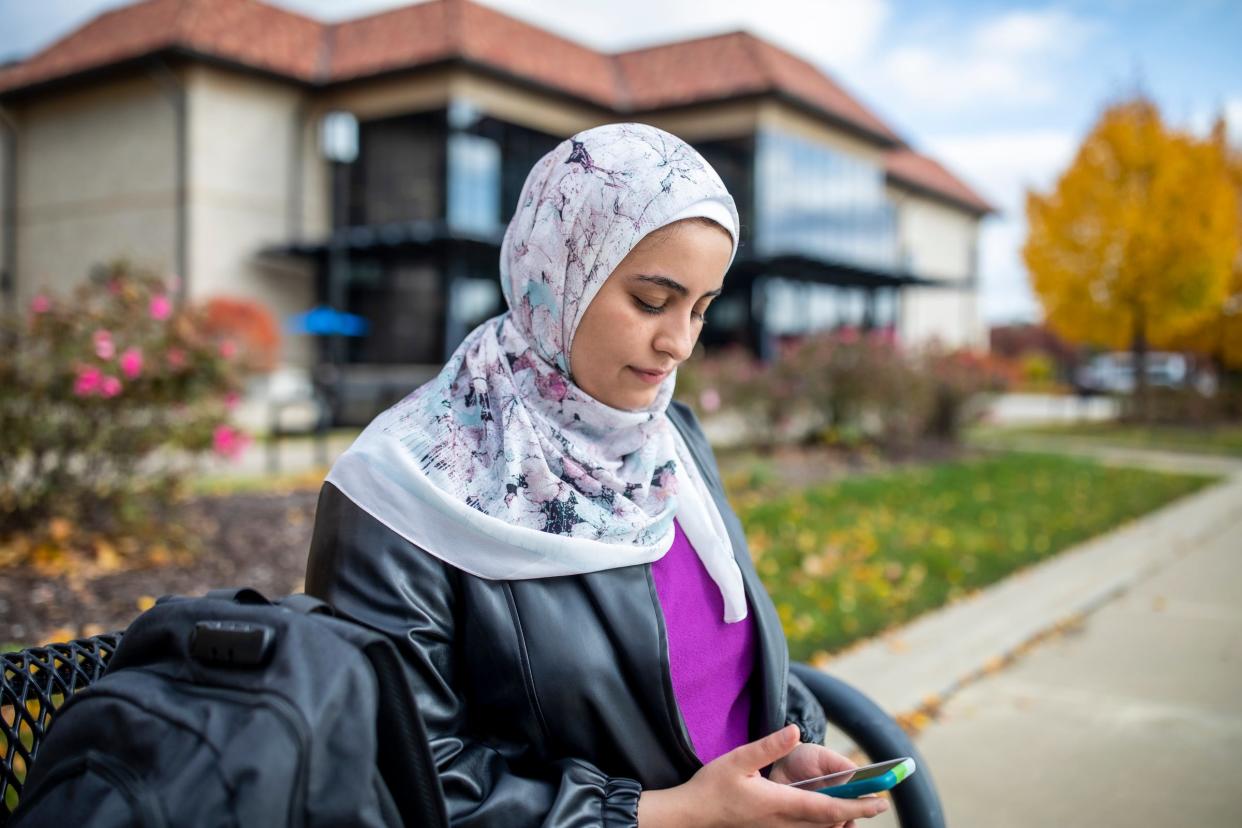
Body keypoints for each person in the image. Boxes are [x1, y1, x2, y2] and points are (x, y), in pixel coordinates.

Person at [305, 122, 890, 828]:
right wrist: (663, 816)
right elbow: (400, 780)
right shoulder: (394, 489)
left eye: (702, 309)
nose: (677, 344)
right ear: (556, 273)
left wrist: (784, 747)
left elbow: (718, 656)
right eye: (651, 300)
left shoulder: (668, 436)